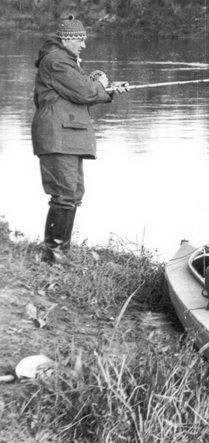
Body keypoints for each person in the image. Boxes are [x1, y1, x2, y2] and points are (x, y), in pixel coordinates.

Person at [31, 14, 129, 264]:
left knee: (73, 193)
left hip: (67, 135)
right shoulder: (57, 61)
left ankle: (60, 251)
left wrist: (108, 88)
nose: (84, 45)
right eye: (80, 40)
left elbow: (79, 92)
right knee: (64, 194)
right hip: (57, 135)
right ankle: (53, 254)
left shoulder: (64, 60)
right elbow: (84, 92)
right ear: (66, 39)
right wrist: (101, 84)